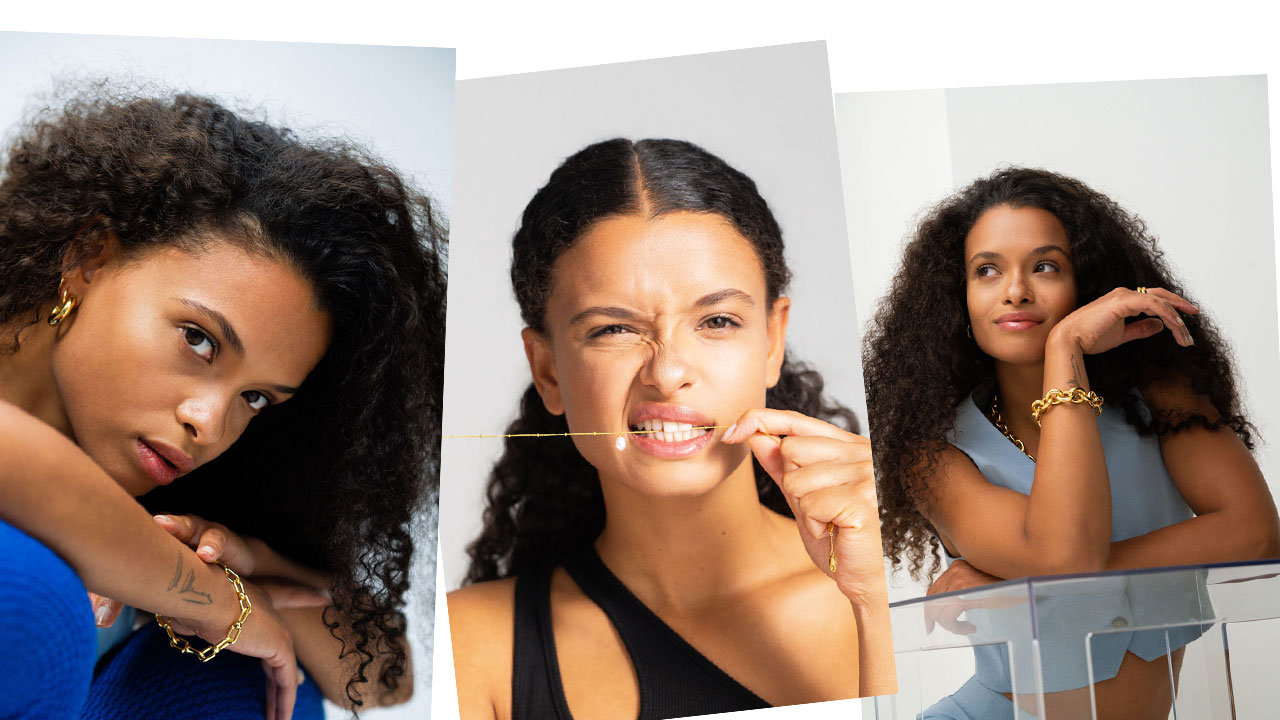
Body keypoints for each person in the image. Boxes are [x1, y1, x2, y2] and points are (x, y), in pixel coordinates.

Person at [0, 87, 445, 719]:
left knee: (231, 678)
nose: (208, 424)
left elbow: (386, 677)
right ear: (87, 258)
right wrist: (214, 601)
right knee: (30, 591)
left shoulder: (182, 503)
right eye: (199, 340)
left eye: (257, 397)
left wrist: (251, 567)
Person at [448, 138, 895, 720]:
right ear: (548, 369)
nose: (667, 373)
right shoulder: (472, 650)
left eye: (717, 320)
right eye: (613, 330)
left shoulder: (885, 582)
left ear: (772, 341)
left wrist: (876, 603)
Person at [862, 167, 1280, 718]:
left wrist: (1013, 580)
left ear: (1084, 282)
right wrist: (1064, 352)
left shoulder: (1157, 391)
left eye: (1045, 266)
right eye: (987, 271)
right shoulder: (930, 454)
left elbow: (1255, 535)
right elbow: (1064, 559)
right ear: (957, 299)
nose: (1016, 291)